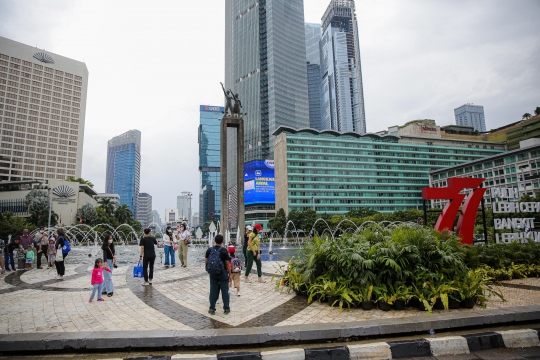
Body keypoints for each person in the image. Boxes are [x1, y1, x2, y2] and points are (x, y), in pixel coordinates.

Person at [205, 234, 231, 315]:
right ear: (222, 241)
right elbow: (227, 263)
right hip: (222, 273)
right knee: (225, 291)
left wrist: (209, 269)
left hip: (212, 273)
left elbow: (206, 260)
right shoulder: (224, 250)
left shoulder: (209, 250)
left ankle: (212, 308)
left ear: (214, 241)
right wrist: (230, 274)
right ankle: (226, 308)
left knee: (213, 290)